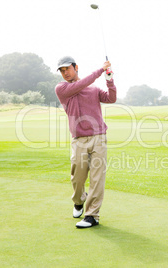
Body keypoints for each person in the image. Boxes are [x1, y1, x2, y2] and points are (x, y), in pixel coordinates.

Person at [55, 56, 117, 227]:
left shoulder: (94, 89)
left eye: (67, 68)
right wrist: (100, 70)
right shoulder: (62, 89)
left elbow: (111, 98)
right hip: (79, 139)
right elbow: (79, 86)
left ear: (76, 67)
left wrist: (109, 79)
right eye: (62, 70)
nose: (65, 73)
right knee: (78, 178)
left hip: (98, 137)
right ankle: (79, 200)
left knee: (97, 178)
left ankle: (92, 216)